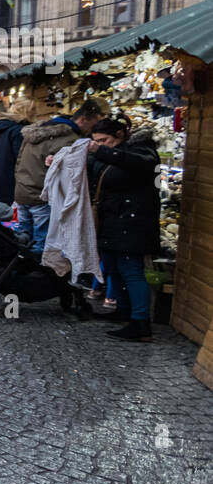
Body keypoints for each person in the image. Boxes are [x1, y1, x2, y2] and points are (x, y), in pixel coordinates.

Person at [88, 116, 161, 342]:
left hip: (132, 221)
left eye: (104, 140)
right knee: (112, 267)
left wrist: (101, 152)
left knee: (131, 270)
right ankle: (123, 311)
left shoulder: (142, 150)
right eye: (97, 141)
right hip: (114, 220)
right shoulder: (110, 153)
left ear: (119, 135)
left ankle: (140, 323)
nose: (101, 144)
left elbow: (142, 164)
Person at [13, 100, 105, 254]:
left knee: (22, 239)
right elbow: (70, 175)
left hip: (22, 192)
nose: (93, 130)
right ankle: (37, 275)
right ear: (83, 120)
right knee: (42, 244)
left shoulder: (33, 133)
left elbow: (19, 162)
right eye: (93, 125)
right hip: (42, 197)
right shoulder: (69, 139)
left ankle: (17, 272)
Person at [0, 100, 33, 206]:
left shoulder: (1, 129)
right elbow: (21, 159)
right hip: (12, 179)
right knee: (12, 215)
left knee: (2, 213)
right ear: (27, 112)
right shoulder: (18, 131)